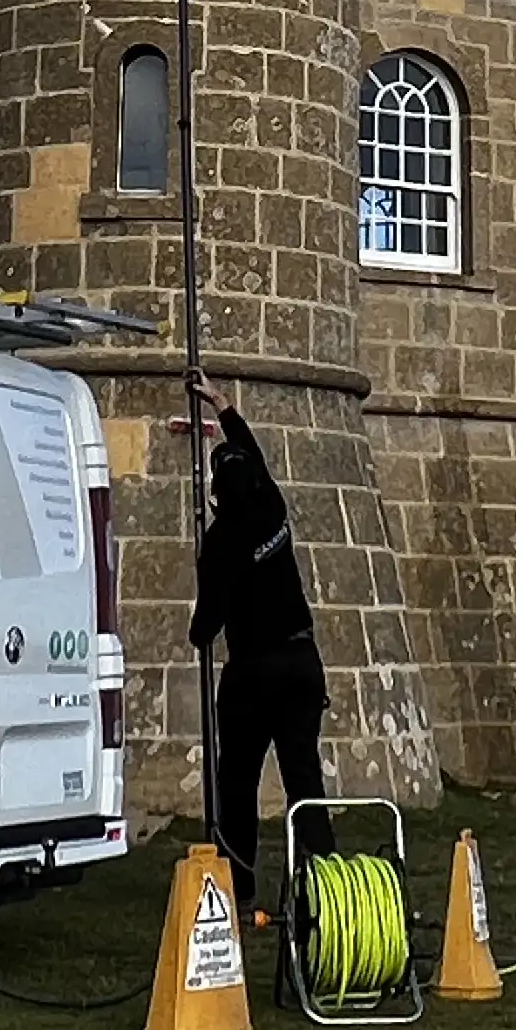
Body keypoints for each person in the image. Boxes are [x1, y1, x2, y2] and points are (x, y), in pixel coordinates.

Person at [185, 378, 326, 915]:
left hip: (253, 675)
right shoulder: (271, 507)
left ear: (217, 493)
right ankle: (329, 887)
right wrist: (222, 405)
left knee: (238, 784)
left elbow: (209, 620)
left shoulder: (221, 543)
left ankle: (239, 892)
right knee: (303, 780)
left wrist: (196, 637)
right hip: (300, 662)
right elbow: (257, 459)